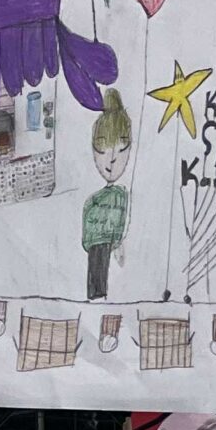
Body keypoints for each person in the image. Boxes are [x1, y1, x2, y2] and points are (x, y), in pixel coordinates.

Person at [81, 93, 132, 301]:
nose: (111, 161)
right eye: (101, 152)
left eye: (121, 151)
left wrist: (118, 242)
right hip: (99, 248)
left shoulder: (122, 195)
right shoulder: (94, 201)